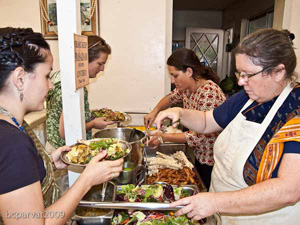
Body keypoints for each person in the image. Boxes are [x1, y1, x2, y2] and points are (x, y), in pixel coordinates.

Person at [154, 28, 300, 225]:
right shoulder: (246, 97)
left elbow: (289, 189)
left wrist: (216, 202)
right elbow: (207, 122)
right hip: (223, 213)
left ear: (278, 72)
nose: (240, 82)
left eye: (248, 74)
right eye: (239, 73)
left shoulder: (295, 110)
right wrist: (180, 113)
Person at [0, 27, 123, 225]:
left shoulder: (11, 125)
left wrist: (46, 164)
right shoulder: (12, 143)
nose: (50, 85)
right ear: (20, 78)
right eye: (47, 76)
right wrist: (86, 181)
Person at [144, 48, 226, 189]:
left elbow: (198, 137)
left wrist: (163, 137)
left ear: (189, 72)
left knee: (206, 190)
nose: (172, 80)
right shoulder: (187, 86)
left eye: (175, 75)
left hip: (213, 159)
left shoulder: (209, 93)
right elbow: (170, 98)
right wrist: (155, 111)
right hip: (200, 154)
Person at [46, 35, 114, 192]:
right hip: (63, 157)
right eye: (100, 64)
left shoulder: (60, 77)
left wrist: (90, 114)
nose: (102, 69)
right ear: (85, 60)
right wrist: (93, 124)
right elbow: (65, 132)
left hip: (56, 151)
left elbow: (68, 114)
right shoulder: (72, 86)